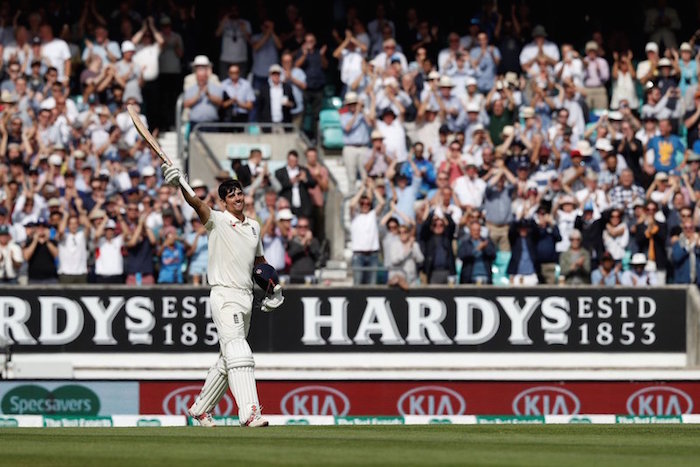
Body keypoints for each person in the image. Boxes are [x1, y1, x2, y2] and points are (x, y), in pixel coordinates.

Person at [161, 164, 284, 428]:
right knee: (239, 351)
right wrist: (181, 183)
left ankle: (201, 409)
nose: (238, 198)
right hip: (224, 294)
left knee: (228, 359)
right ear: (224, 201)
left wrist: (274, 289)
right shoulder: (216, 220)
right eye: (232, 195)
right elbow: (196, 203)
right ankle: (249, 413)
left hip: (246, 296)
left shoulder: (254, 226)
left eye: (240, 193)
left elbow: (260, 264)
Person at [349, 179, 385, 285]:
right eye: (362, 203)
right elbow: (351, 205)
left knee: (372, 284)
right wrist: (362, 190)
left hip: (372, 254)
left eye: (368, 203)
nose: (365, 205)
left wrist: (373, 189)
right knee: (358, 283)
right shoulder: (355, 216)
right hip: (358, 254)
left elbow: (382, 203)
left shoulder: (372, 215)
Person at [386, 223, 424, 290]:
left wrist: (413, 248)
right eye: (400, 232)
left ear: (409, 233)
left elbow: (420, 259)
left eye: (405, 232)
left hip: (412, 279)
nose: (402, 234)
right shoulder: (394, 245)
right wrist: (407, 251)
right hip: (399, 280)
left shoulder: (414, 245)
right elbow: (394, 261)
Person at [457, 219, 496, 284]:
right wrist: (477, 249)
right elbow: (461, 255)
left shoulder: (486, 242)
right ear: (470, 231)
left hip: (485, 276)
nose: (476, 232)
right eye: (474, 230)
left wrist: (485, 248)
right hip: (470, 277)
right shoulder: (465, 243)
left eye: (478, 230)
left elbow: (493, 255)